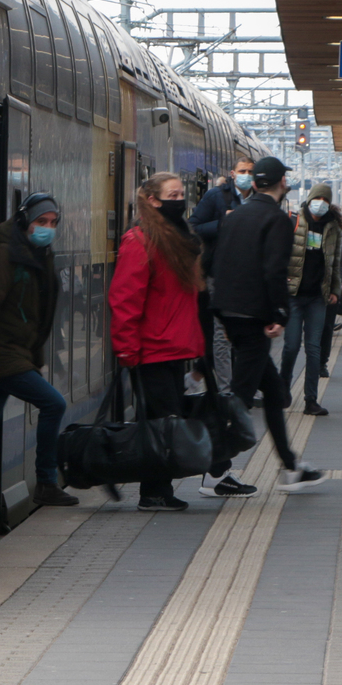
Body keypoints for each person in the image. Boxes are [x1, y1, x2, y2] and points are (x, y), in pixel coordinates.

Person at [206, 157, 326, 496]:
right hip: (255, 317)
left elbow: (218, 263)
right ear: (281, 183)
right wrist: (279, 314)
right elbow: (275, 271)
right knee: (242, 398)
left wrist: (223, 312)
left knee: (274, 392)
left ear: (255, 183)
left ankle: (290, 466)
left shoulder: (235, 215)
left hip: (230, 311)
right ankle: (213, 468)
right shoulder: (276, 219)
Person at [0, 192, 79, 508]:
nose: (47, 228)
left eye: (53, 222)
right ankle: (45, 482)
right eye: (41, 221)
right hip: (2, 356)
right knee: (53, 403)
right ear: (23, 222)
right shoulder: (2, 255)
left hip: (14, 354)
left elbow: (38, 317)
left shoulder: (37, 254)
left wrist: (37, 359)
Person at [110, 173, 204, 511]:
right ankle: (152, 491)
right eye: (172, 194)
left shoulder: (177, 237)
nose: (179, 200)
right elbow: (124, 298)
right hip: (151, 347)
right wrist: (126, 348)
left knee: (166, 420)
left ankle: (159, 488)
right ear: (152, 200)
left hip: (173, 344)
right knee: (158, 422)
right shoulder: (140, 240)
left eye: (181, 194)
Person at [279, 183, 342, 417]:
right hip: (293, 295)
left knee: (314, 349)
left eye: (325, 199)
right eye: (317, 198)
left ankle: (311, 399)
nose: (320, 202)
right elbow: (280, 255)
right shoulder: (293, 221)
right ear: (310, 199)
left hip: (317, 298)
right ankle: (283, 390)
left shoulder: (333, 228)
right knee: (291, 346)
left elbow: (335, 262)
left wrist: (336, 290)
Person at [190, 158, 257, 392]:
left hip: (249, 276)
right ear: (232, 173)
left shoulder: (260, 201)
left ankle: (243, 383)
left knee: (246, 331)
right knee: (221, 333)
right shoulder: (216, 196)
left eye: (250, 172)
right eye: (242, 171)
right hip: (219, 273)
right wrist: (222, 222)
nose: (246, 175)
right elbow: (194, 226)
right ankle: (226, 389)